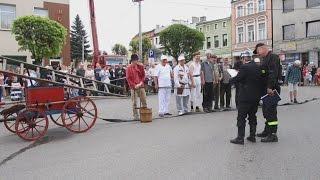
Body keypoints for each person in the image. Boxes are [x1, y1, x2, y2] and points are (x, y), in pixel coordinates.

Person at [229, 53, 264, 144]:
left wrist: (231, 80)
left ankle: (240, 138)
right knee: (252, 116)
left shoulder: (244, 67)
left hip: (245, 97)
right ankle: (252, 136)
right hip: (255, 97)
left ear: (244, 59)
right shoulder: (258, 67)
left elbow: (238, 78)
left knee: (241, 117)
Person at [254, 43, 282, 143]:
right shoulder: (266, 58)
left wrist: (270, 87)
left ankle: (273, 134)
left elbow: (272, 73)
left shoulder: (273, 58)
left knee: (271, 113)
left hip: (271, 90)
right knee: (266, 112)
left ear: (263, 49)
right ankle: (267, 131)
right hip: (266, 90)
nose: (257, 54)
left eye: (258, 51)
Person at [126, 54, 147, 120]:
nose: (137, 62)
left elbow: (143, 76)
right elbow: (128, 78)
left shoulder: (140, 66)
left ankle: (144, 114)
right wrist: (134, 86)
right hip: (134, 87)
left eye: (137, 60)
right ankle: (135, 115)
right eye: (135, 60)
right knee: (134, 102)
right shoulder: (129, 68)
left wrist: (141, 83)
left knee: (144, 100)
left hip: (141, 85)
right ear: (132, 61)